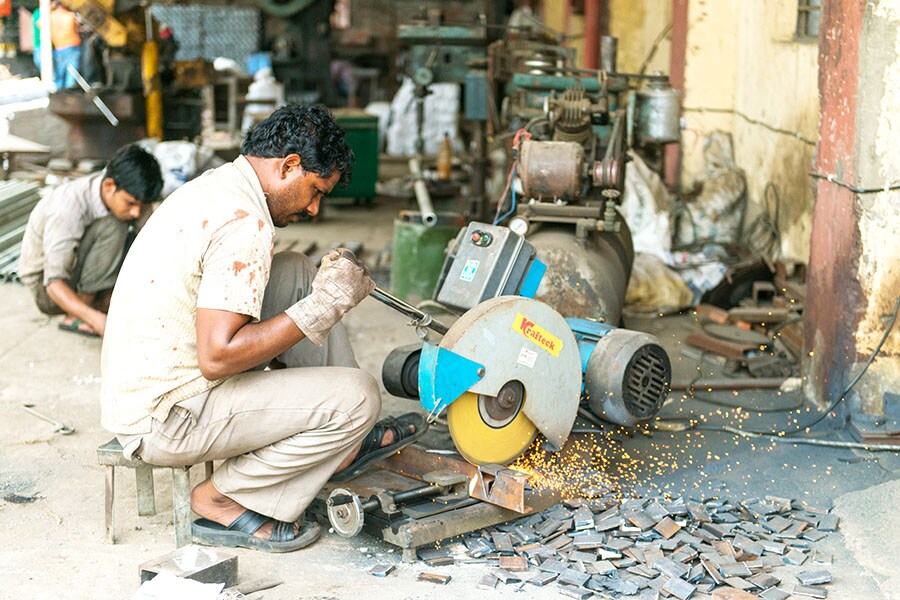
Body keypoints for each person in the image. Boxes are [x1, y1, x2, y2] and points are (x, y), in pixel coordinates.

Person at [99, 105, 425, 553]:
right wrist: (323, 306)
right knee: (360, 396)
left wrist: (314, 298)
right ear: (289, 165)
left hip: (151, 390)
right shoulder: (245, 223)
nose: (314, 207)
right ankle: (223, 499)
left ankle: (343, 444)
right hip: (165, 418)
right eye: (314, 190)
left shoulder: (220, 185)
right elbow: (217, 359)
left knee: (295, 271)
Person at [19, 144, 163, 338]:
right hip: (47, 290)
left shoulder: (128, 195)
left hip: (77, 274)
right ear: (109, 186)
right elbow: (53, 283)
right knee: (115, 226)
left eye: (141, 205)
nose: (136, 211)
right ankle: (79, 314)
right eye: (130, 203)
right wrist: (97, 320)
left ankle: (102, 300)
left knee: (140, 239)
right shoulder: (68, 205)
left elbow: (153, 243)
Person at [49, 0, 81, 89]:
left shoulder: (51, 16)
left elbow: (40, 24)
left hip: (59, 48)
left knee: (59, 74)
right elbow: (78, 28)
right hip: (72, 47)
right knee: (72, 74)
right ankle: (70, 93)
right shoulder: (70, 16)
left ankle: (59, 94)